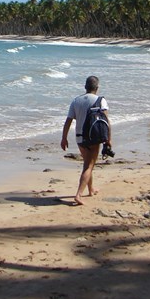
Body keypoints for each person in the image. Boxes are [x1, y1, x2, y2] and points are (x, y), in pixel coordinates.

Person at [61, 75, 111, 206]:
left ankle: (91, 189)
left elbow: (68, 121)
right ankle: (78, 194)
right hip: (94, 137)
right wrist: (108, 140)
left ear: (85, 87)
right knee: (89, 165)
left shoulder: (76, 101)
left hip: (79, 137)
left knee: (87, 163)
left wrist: (64, 138)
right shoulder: (101, 100)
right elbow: (106, 121)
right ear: (97, 88)